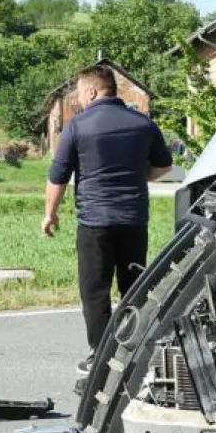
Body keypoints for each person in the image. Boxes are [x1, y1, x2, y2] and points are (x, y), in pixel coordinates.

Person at [42, 65, 172, 375]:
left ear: (91, 91)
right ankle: (133, 352)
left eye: (79, 94)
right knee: (133, 287)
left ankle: (100, 356)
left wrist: (50, 214)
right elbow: (164, 166)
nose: (79, 100)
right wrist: (138, 175)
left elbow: (57, 176)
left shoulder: (78, 126)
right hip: (134, 221)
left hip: (94, 223)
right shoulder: (143, 124)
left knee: (95, 289)